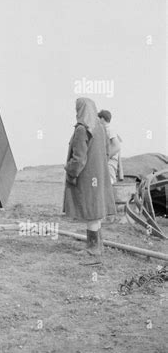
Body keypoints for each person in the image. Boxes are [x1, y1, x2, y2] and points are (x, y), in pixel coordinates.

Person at [63, 98, 116, 263]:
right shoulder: (99, 128)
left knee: (91, 211)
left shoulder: (82, 129)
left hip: (86, 177)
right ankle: (97, 246)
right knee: (96, 210)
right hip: (99, 175)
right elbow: (108, 151)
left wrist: (71, 173)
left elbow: (78, 159)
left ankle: (93, 251)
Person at [98, 109, 122, 185]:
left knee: (109, 183)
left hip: (110, 163)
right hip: (109, 162)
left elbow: (117, 146)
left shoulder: (109, 130)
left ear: (102, 119)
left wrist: (105, 157)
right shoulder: (108, 129)